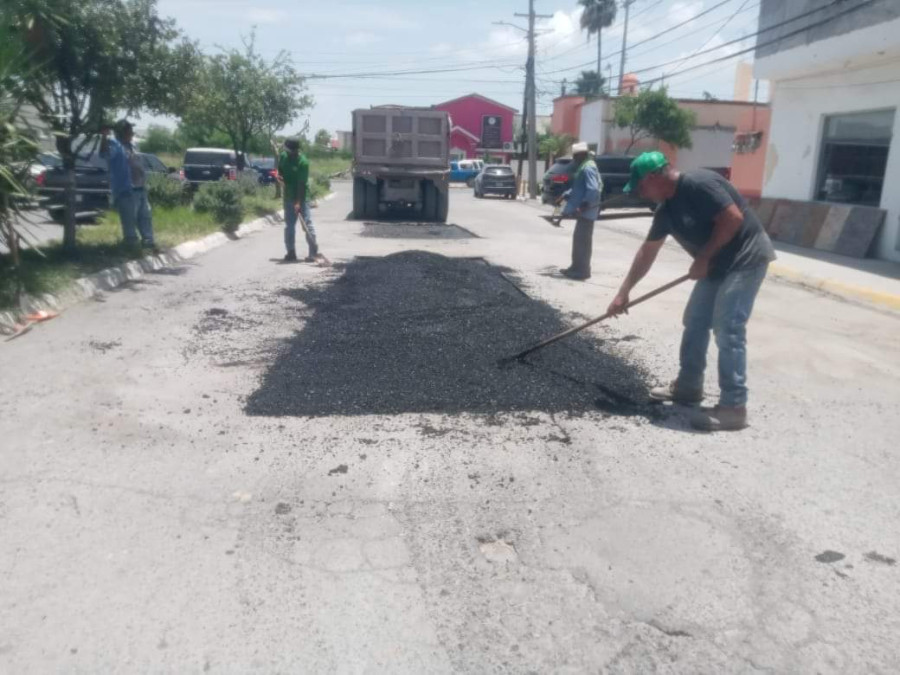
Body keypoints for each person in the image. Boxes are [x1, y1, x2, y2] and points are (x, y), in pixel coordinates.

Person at [607, 151, 776, 432]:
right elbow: (648, 251)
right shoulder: (666, 210)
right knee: (695, 321)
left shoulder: (698, 183)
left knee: (728, 328)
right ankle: (688, 388)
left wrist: (704, 257)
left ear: (654, 177)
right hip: (715, 265)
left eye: (641, 186)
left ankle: (734, 407)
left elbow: (732, 219)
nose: (641, 193)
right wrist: (624, 292)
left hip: (746, 259)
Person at [100, 119, 155, 248]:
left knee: (145, 216)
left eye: (131, 130)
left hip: (140, 188)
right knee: (129, 219)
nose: (132, 132)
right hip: (126, 190)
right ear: (121, 132)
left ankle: (148, 242)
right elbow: (104, 155)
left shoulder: (133, 145)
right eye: (129, 130)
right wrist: (104, 136)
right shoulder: (114, 144)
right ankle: (131, 244)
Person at [560, 142, 602, 281]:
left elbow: (593, 189)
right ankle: (575, 267)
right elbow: (579, 187)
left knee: (583, 241)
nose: (574, 159)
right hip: (584, 211)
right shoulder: (584, 166)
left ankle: (582, 271)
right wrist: (566, 194)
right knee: (579, 240)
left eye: (575, 156)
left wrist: (584, 204)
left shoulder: (588, 168)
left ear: (581, 155)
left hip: (587, 210)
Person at [277, 138, 318, 262]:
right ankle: (291, 252)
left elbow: (301, 184)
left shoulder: (303, 163)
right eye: (286, 149)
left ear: (295, 150)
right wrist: (279, 176)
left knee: (307, 224)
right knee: (289, 226)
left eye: (288, 150)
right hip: (288, 197)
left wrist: (298, 202)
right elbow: (280, 171)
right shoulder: (283, 157)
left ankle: (313, 253)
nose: (287, 152)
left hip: (302, 197)